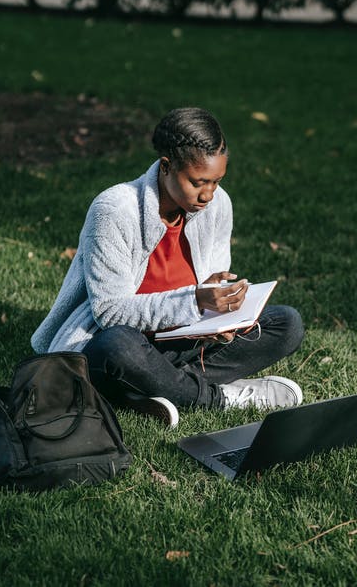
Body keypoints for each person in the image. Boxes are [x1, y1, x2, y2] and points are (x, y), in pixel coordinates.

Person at [31, 107, 304, 427]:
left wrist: (223, 315)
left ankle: (155, 388)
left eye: (217, 181)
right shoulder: (115, 210)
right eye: (198, 182)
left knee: (286, 324)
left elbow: (208, 284)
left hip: (186, 339)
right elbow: (110, 312)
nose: (208, 194)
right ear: (166, 167)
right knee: (119, 347)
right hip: (117, 342)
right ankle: (216, 397)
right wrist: (196, 301)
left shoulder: (218, 204)